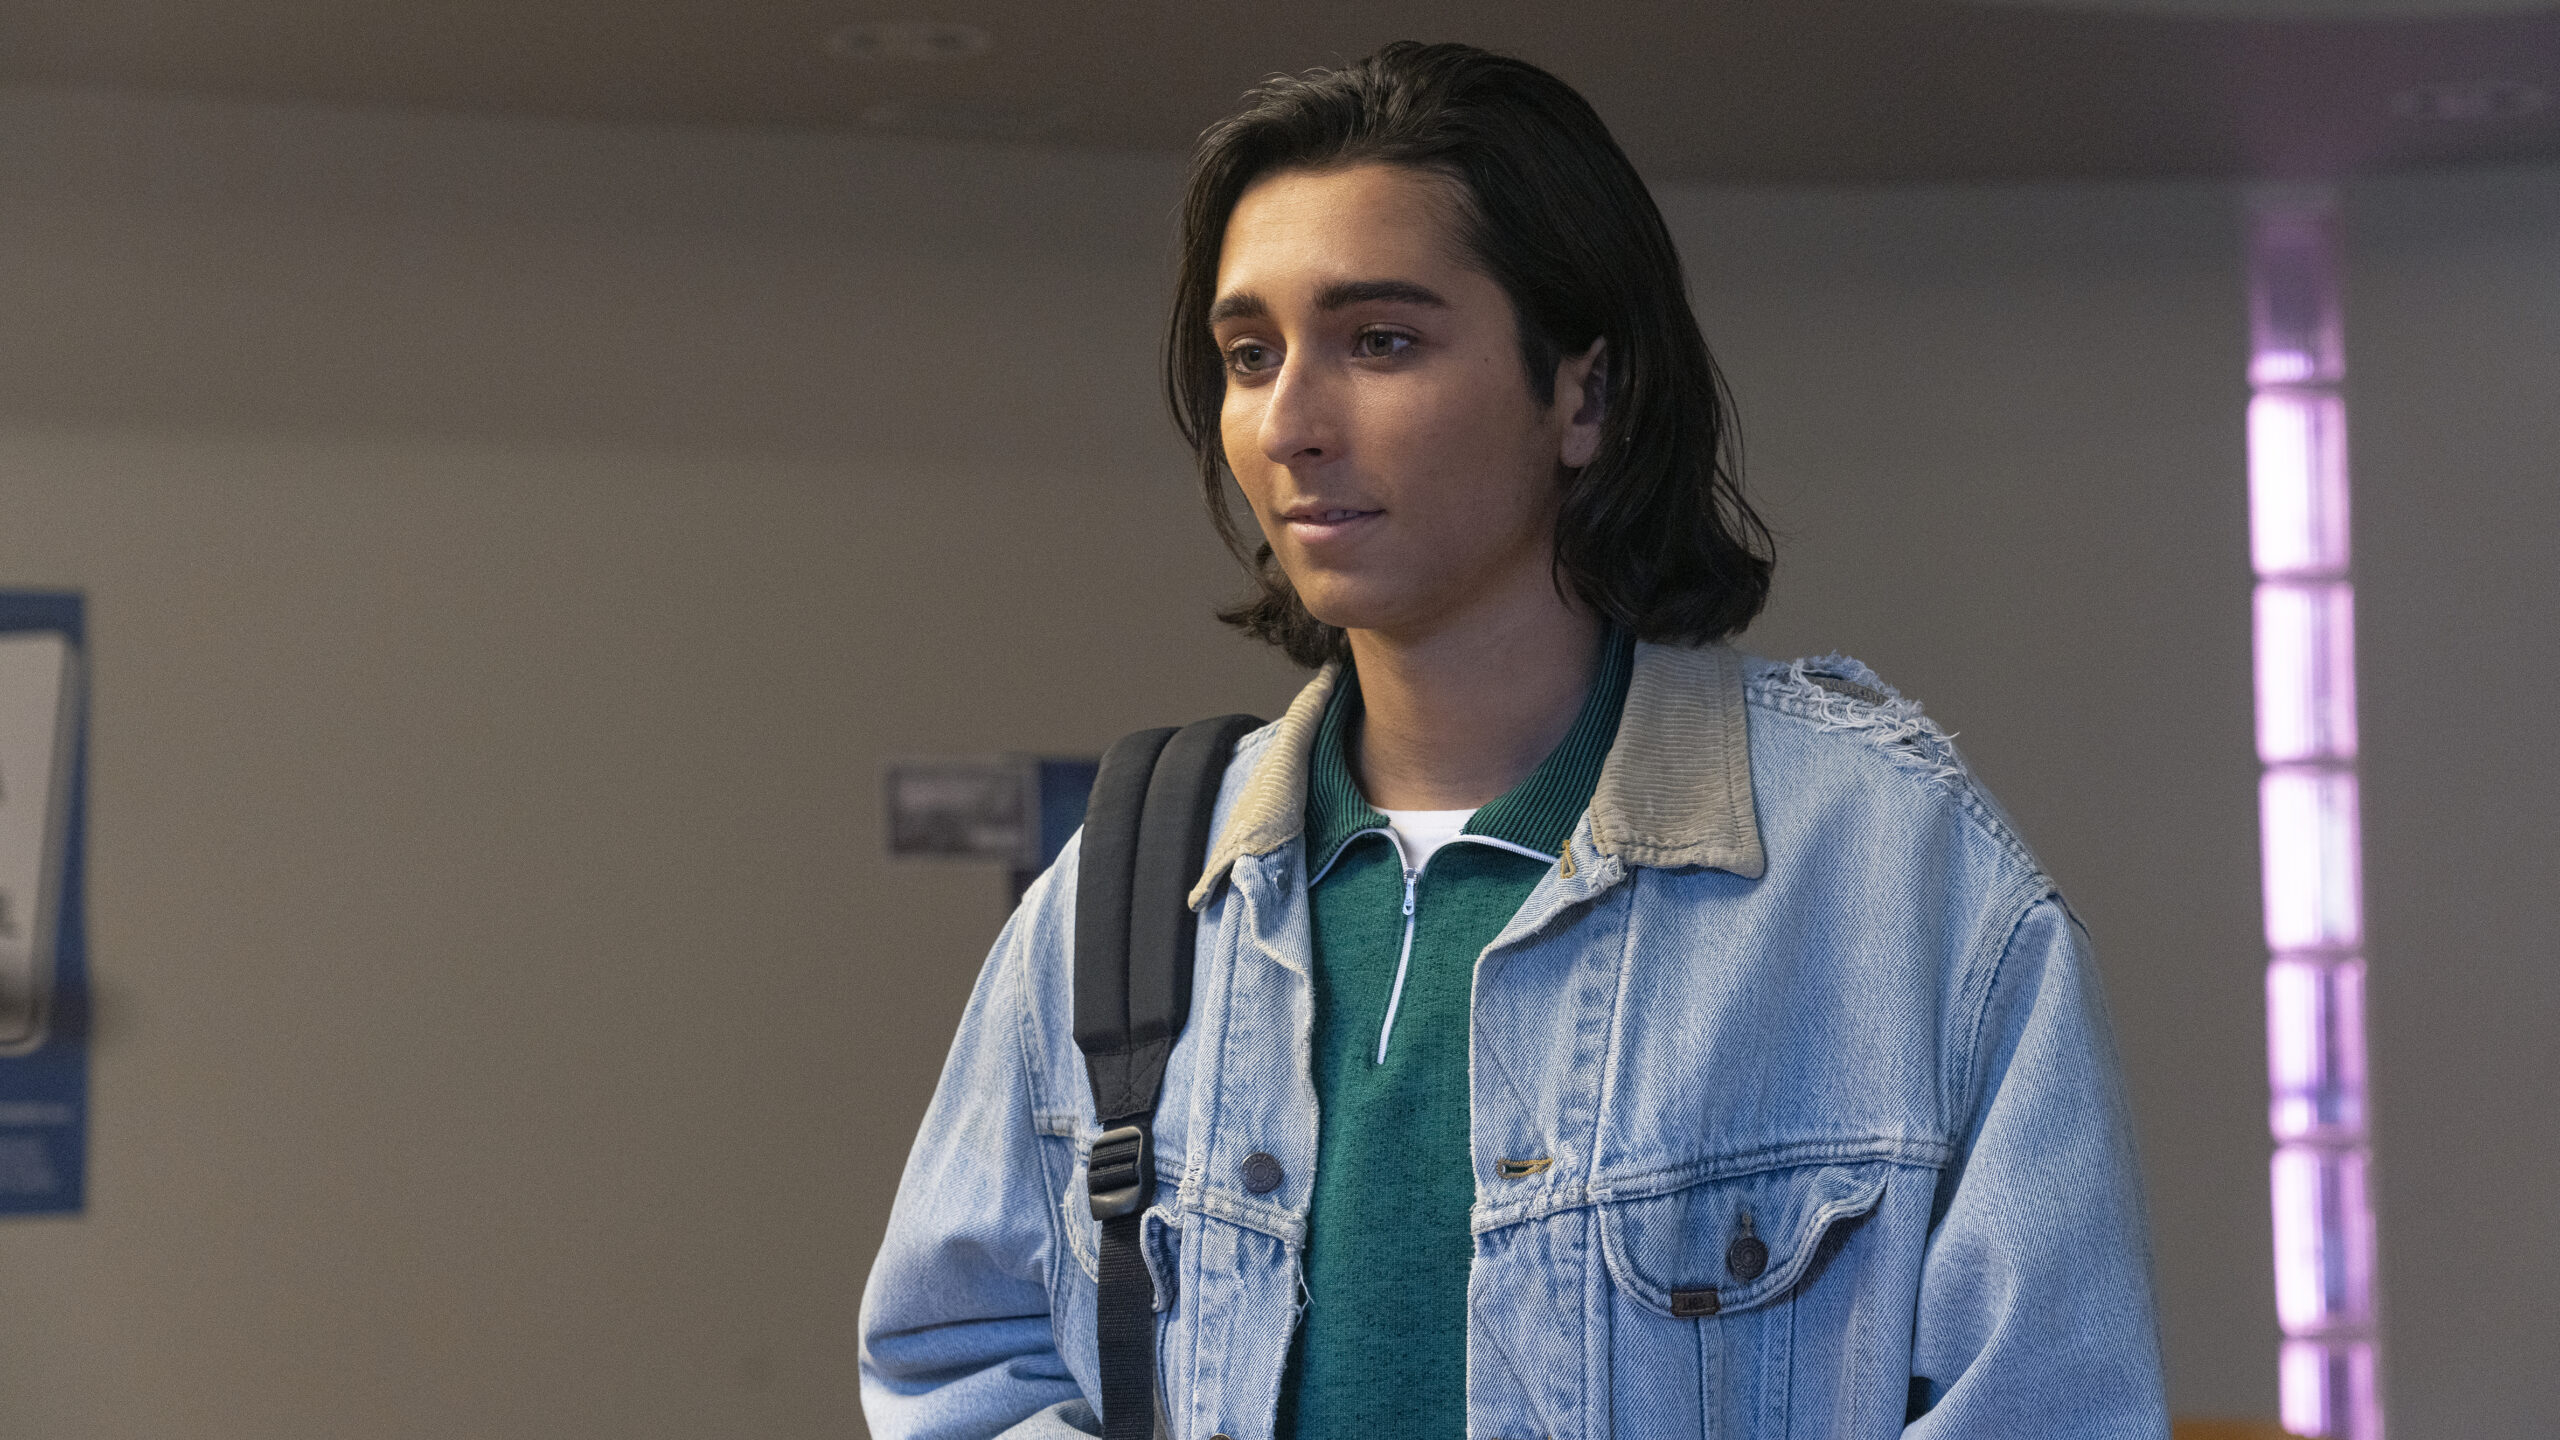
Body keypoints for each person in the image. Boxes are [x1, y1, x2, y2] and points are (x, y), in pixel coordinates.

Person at [861, 40, 2168, 1440]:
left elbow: (2053, 1407)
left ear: (1585, 396)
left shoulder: (1895, 879)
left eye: (1380, 341)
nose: (1290, 423)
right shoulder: (1128, 890)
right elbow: (961, 1372)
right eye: (1249, 356)